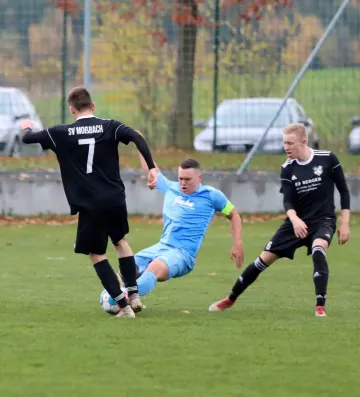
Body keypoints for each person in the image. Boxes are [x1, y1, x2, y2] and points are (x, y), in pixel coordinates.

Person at [19, 86, 158, 318]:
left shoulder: (60, 133)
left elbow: (27, 138)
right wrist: (151, 168)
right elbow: (136, 136)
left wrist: (25, 127)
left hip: (91, 204)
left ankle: (123, 307)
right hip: (115, 198)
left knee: (96, 254)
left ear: (72, 110)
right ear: (92, 106)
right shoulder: (110, 126)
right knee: (120, 241)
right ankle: (133, 295)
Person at [209, 123, 351, 317]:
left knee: (319, 250)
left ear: (303, 141)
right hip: (295, 223)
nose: (286, 147)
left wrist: (344, 223)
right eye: (284, 143)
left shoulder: (327, 159)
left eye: (290, 143)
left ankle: (320, 307)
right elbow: (288, 201)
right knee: (262, 260)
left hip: (323, 220)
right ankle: (230, 298)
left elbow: (343, 191)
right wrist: (295, 220)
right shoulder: (287, 168)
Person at [105, 153, 244, 308]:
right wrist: (138, 144)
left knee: (155, 267)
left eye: (188, 179)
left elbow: (234, 214)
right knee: (129, 266)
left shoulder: (212, 196)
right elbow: (152, 170)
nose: (183, 183)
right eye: (180, 178)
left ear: (200, 178)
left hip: (183, 254)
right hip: (161, 246)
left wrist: (237, 243)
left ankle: (121, 298)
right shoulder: (171, 188)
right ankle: (129, 301)